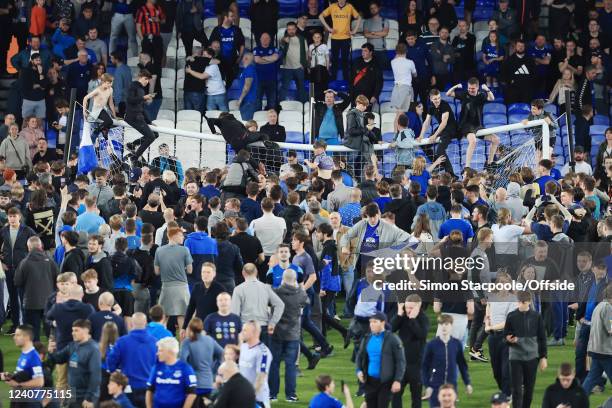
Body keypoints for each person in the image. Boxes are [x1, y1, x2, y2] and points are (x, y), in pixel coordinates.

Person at [269, 268, 308, 402]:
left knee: (274, 364)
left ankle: (272, 394)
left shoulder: (276, 292)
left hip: (277, 334)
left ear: (282, 279)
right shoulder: (301, 294)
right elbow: (306, 302)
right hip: (293, 335)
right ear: (295, 280)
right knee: (291, 366)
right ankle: (290, 395)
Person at [504, 290, 548, 408]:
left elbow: (542, 338)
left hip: (532, 357)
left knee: (529, 389)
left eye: (524, 302)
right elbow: (506, 335)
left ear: (529, 301)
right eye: (520, 302)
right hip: (515, 356)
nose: (522, 305)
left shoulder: (536, 316)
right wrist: (509, 339)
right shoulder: (511, 316)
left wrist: (543, 357)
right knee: (517, 390)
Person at [355, 311, 406, 407]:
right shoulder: (367, 338)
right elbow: (359, 356)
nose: (371, 324)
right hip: (369, 382)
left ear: (383, 322)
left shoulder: (393, 339)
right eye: (370, 322)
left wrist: (397, 380)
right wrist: (358, 370)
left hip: (385, 383)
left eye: (375, 322)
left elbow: (401, 362)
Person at [446, 78, 499, 169]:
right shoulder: (464, 94)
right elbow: (448, 93)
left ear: (477, 87)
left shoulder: (481, 95)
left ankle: (490, 163)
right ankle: (467, 167)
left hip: (478, 126)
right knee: (473, 141)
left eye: (473, 88)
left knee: (496, 139)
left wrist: (487, 89)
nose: (470, 90)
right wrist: (456, 86)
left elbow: (491, 98)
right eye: (469, 88)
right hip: (465, 125)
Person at [14, 236, 60, 342]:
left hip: (31, 303)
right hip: (49, 302)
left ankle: (36, 355)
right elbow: (58, 278)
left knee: (33, 334)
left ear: (28, 247)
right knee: (51, 333)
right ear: (41, 246)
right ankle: (55, 354)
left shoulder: (24, 263)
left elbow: (17, 282)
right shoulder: (50, 261)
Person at [106, 313, 157, 407]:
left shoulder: (122, 341)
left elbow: (111, 362)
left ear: (131, 324)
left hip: (129, 387)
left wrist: (116, 374)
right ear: (146, 324)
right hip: (149, 387)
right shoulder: (155, 342)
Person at [48, 319, 101, 408]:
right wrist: (51, 351)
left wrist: (90, 398)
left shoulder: (93, 349)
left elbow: (95, 376)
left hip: (85, 396)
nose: (73, 333)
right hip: (72, 393)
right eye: (73, 330)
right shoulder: (72, 345)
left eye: (76, 330)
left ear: (86, 330)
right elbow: (58, 359)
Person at [422, 314, 473, 407]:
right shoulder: (431, 344)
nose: (444, 327)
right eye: (441, 325)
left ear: (451, 326)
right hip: (435, 385)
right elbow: (424, 367)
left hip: (451, 385)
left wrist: (467, 383)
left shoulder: (456, 344)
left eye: (446, 324)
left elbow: (462, 365)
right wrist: (427, 385)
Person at [2, 207, 38, 334]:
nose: (12, 219)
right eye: (10, 216)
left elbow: (37, 247)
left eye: (14, 216)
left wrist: (28, 262)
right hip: (9, 269)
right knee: (12, 298)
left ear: (19, 217)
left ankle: (27, 326)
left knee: (24, 297)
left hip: (22, 270)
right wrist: (2, 262)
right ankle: (15, 325)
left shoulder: (27, 230)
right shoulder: (3, 231)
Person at [391, 294, 429, 408]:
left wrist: (413, 319)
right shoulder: (402, 316)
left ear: (419, 306)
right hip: (401, 364)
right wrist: (398, 314)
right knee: (396, 395)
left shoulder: (423, 318)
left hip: (416, 365)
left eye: (411, 308)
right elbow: (390, 329)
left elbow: (421, 334)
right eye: (407, 307)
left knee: (416, 397)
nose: (408, 310)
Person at [232, 263, 285, 345]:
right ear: (256, 272)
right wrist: (273, 323)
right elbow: (280, 304)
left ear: (243, 273)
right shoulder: (266, 288)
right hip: (263, 327)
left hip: (246, 327)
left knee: (247, 356)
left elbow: (235, 313)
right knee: (263, 356)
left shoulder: (238, 289)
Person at [154, 223, 193, 330]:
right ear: (173, 236)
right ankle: (183, 345)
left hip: (166, 287)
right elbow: (190, 270)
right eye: (181, 235)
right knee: (183, 320)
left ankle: (162, 343)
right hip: (181, 287)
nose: (183, 237)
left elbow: (156, 271)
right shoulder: (184, 250)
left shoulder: (159, 250)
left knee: (163, 318)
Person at [179, 317, 223, 402]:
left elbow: (182, 362)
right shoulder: (210, 340)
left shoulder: (187, 342)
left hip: (193, 384)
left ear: (190, 328)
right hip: (208, 383)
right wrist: (216, 371)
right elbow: (223, 354)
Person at [146, 336, 197, 408]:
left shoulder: (185, 368)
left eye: (160, 350)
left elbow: (192, 393)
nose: (157, 353)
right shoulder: (156, 367)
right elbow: (149, 390)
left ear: (169, 352)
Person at [418, 89, 458, 177]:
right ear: (431, 99)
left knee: (440, 150)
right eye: (435, 99)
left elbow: (444, 122)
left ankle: (451, 174)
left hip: (450, 128)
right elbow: (427, 122)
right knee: (424, 145)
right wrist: (421, 136)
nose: (438, 100)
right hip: (441, 128)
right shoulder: (431, 106)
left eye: (439, 98)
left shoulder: (444, 105)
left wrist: (435, 135)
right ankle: (439, 164)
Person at [319, 0, 361, 82]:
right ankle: (333, 79)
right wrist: (329, 28)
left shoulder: (349, 7)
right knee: (334, 60)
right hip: (335, 38)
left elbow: (359, 17)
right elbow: (320, 16)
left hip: (346, 38)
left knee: (345, 60)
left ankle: (346, 79)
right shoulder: (332, 6)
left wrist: (354, 31)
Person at [124, 70, 159, 167]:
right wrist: (144, 98)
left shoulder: (141, 90)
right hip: (133, 117)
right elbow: (130, 100)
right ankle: (134, 158)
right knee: (151, 137)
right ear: (140, 77)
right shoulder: (133, 86)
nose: (147, 81)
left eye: (148, 80)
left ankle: (132, 145)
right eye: (145, 79)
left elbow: (142, 108)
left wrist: (150, 122)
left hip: (139, 117)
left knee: (155, 134)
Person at [582, 283, 612, 394]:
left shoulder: (599, 306)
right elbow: (610, 329)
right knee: (591, 378)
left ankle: (578, 402)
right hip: (605, 351)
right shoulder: (608, 308)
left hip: (595, 348)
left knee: (590, 379)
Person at [0, 324, 45, 394]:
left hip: (31, 402)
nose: (14, 338)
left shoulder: (33, 356)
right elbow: (26, 376)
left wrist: (18, 385)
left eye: (18, 335)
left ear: (26, 337)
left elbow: (39, 382)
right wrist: (11, 376)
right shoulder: (24, 354)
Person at [239, 321, 273, 407]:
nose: (242, 333)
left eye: (245, 330)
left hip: (258, 399)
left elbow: (261, 377)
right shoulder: (243, 347)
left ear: (254, 333)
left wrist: (251, 396)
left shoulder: (263, 352)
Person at [279, 22, 308, 103]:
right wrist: (283, 40)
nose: (291, 31)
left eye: (292, 29)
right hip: (287, 68)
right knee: (284, 87)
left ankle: (303, 105)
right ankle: (279, 106)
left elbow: (306, 52)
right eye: (289, 29)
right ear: (287, 30)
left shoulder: (302, 39)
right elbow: (280, 45)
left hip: (299, 67)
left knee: (301, 87)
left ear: (296, 29)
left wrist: (304, 65)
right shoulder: (284, 39)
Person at [237, 52, 259, 121]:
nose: (243, 60)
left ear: (251, 60)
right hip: (246, 101)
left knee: (246, 124)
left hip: (248, 101)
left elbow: (247, 86)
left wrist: (240, 99)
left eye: (246, 58)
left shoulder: (250, 69)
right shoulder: (246, 69)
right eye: (244, 58)